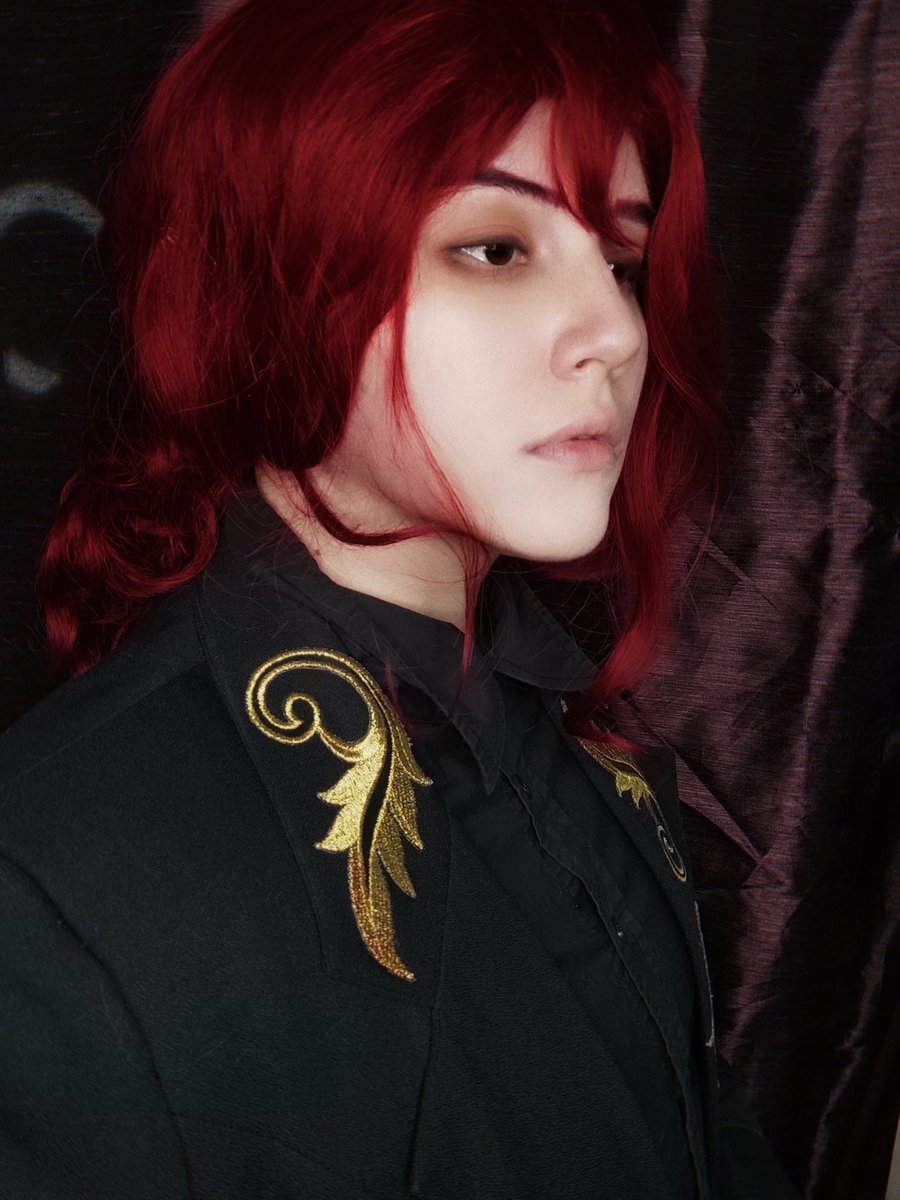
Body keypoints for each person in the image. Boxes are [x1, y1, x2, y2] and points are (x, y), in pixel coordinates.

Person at [0, 0, 798, 1196]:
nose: (615, 333)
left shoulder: (588, 760)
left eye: (622, 263)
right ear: (272, 276)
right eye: (496, 248)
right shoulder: (55, 885)